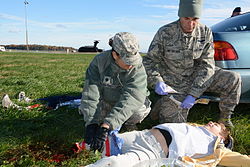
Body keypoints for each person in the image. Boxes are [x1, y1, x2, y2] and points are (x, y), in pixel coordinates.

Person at [143, 0, 241, 127]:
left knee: (233, 78)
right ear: (180, 16)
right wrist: (157, 81)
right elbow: (148, 62)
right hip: (174, 82)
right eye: (186, 18)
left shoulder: (205, 32)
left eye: (195, 19)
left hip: (198, 77)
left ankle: (224, 119)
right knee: (175, 128)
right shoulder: (165, 32)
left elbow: (208, 65)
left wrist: (193, 94)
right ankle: (162, 105)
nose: (191, 24)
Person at [79, 32, 151, 152]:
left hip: (127, 102)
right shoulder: (99, 62)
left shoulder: (137, 67)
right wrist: (91, 123)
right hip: (106, 100)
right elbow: (91, 93)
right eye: (127, 61)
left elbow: (133, 97)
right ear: (115, 55)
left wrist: (108, 125)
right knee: (88, 111)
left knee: (138, 111)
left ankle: (127, 123)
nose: (131, 65)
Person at [80, 121, 250, 167]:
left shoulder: (216, 148)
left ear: (222, 138)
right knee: (99, 142)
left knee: (116, 163)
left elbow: (242, 160)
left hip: (153, 152)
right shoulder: (195, 126)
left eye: (217, 126)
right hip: (142, 135)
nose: (212, 122)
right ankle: (85, 148)